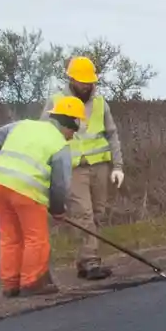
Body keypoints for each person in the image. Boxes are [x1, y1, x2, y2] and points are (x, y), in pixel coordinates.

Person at [0, 96, 83, 298]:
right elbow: (60, 184)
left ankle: (10, 284)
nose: (73, 136)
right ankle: (32, 282)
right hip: (27, 191)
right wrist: (58, 209)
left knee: (10, 237)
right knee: (36, 238)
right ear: (69, 124)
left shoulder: (22, 125)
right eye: (74, 130)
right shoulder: (59, 145)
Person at [44, 57, 126, 280]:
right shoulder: (56, 101)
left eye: (89, 82)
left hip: (100, 166)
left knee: (98, 213)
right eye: (82, 82)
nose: (86, 86)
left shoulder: (100, 103)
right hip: (72, 168)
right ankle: (91, 261)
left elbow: (112, 134)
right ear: (71, 79)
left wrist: (118, 166)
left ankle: (84, 260)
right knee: (83, 213)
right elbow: (45, 135)